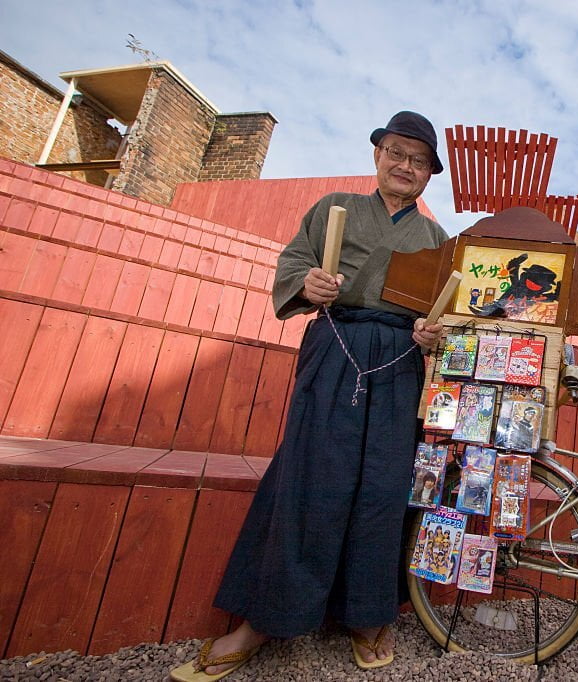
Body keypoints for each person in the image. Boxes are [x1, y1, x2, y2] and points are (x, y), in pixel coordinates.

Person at [170, 111, 447, 681]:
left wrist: (433, 332)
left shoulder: (435, 239)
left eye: (418, 161)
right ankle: (265, 616)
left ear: (429, 175)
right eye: (396, 152)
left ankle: (369, 615)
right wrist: (307, 284)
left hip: (399, 361)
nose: (405, 166)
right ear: (378, 156)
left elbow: (447, 314)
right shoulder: (333, 207)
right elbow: (295, 262)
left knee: (384, 483)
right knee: (309, 474)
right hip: (336, 344)